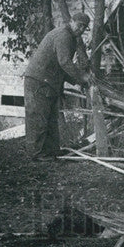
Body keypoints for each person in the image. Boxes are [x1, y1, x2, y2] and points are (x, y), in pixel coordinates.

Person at [23, 12, 90, 160]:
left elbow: (61, 67)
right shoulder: (63, 35)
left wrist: (79, 81)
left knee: (51, 118)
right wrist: (82, 77)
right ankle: (36, 153)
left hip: (48, 81)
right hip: (38, 81)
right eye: (79, 25)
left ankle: (52, 151)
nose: (81, 29)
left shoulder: (70, 38)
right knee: (38, 118)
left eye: (84, 28)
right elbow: (65, 63)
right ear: (71, 21)